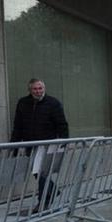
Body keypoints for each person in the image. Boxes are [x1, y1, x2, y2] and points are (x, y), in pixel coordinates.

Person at [11, 78, 69, 212]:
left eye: (40, 88)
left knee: (41, 173)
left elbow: (62, 124)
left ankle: (43, 202)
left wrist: (64, 142)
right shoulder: (23, 103)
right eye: (35, 89)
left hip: (47, 145)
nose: (38, 91)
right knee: (36, 172)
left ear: (44, 88)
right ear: (30, 90)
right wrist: (13, 146)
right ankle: (54, 191)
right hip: (31, 144)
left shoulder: (53, 103)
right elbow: (18, 126)